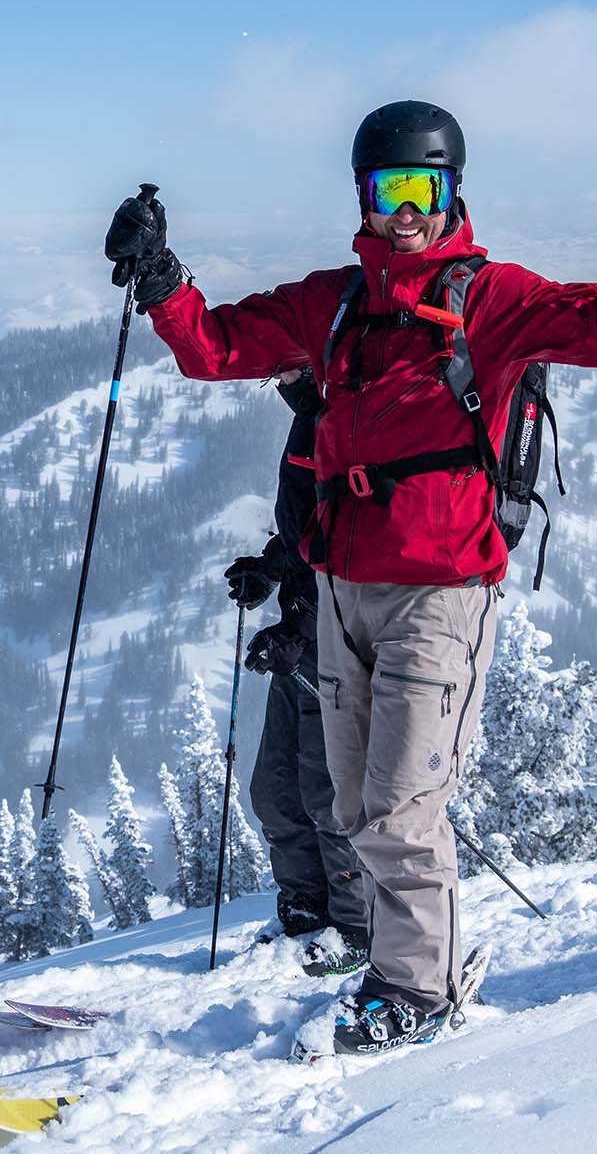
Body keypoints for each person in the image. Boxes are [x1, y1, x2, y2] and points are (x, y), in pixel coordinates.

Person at [106, 100, 597, 1051]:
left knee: (399, 809)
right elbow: (214, 347)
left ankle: (417, 990)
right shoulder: (335, 303)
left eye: (423, 188)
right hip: (341, 593)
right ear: (365, 198)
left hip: (441, 593)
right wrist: (159, 277)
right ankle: (394, 964)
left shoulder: (489, 299)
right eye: (389, 191)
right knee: (349, 802)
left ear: (452, 191)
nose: (405, 210)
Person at [226, 365, 372, 978]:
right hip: (302, 638)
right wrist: (268, 569)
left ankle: (357, 927)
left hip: (341, 639)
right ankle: (305, 908)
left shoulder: (354, 419)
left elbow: (353, 540)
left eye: (288, 368)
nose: (278, 379)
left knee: (327, 793)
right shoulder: (310, 422)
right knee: (275, 790)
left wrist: (299, 626)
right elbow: (303, 530)